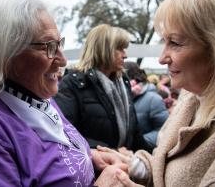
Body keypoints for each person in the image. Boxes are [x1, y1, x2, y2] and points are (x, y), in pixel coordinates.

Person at [97, 0, 215, 186]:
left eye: (174, 42)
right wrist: (136, 165)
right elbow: (170, 165)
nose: (162, 58)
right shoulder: (193, 97)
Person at [0, 0, 101, 187]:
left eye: (59, 44)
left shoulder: (36, 98)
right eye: (49, 47)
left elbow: (53, 155)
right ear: (4, 54)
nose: (62, 60)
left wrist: (92, 158)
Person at [54, 24, 148, 152]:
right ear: (103, 49)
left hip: (125, 165)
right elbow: (66, 134)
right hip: (95, 169)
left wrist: (152, 159)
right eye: (119, 49)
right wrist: (111, 153)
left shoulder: (123, 83)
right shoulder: (73, 84)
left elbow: (134, 131)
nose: (125, 55)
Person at [124, 61, 168, 152]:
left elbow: (164, 130)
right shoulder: (122, 97)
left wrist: (141, 141)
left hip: (145, 154)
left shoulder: (153, 99)